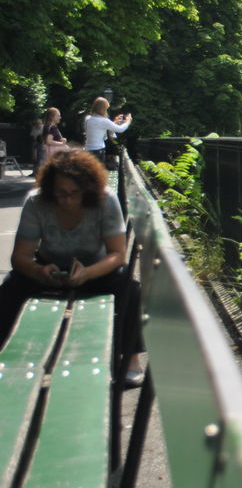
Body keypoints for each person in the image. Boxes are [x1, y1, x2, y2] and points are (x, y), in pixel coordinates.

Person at [0, 150, 143, 385]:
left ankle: (131, 360)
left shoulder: (105, 200)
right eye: (60, 193)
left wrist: (87, 273)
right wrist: (38, 271)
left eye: (74, 193)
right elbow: (21, 257)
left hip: (95, 269)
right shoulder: (36, 202)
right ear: (50, 189)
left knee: (129, 285)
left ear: (87, 189)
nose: (67, 199)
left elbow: (117, 255)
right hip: (50, 268)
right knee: (10, 286)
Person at [83, 96, 132, 166]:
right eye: (106, 109)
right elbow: (120, 129)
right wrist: (128, 121)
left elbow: (99, 130)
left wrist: (114, 122)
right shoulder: (103, 121)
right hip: (98, 151)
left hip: (87, 150)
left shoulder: (88, 118)